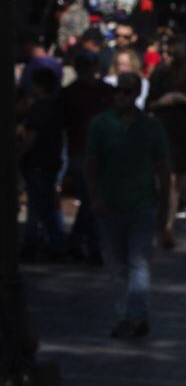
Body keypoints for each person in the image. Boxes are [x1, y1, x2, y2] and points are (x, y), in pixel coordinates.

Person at [85, 71, 170, 339]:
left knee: (138, 262)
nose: (121, 96)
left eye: (127, 91)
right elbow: (91, 164)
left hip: (142, 202)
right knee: (117, 264)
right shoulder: (100, 124)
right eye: (118, 91)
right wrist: (94, 196)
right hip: (110, 203)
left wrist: (165, 207)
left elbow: (163, 167)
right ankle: (128, 314)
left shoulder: (151, 126)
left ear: (136, 95)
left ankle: (135, 316)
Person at [148, 38, 186, 249]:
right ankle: (159, 222)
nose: (165, 57)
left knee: (174, 182)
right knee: (161, 180)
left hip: (181, 134)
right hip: (161, 130)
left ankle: (167, 225)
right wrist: (164, 101)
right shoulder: (159, 75)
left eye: (169, 53)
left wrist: (182, 98)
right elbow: (150, 103)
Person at [62, 50, 114, 264]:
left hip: (103, 153)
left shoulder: (107, 91)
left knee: (91, 200)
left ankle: (76, 242)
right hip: (80, 152)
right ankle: (92, 246)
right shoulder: (70, 94)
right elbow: (64, 125)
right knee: (91, 199)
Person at [17, 67, 67, 262]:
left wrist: (19, 155)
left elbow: (32, 137)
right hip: (50, 160)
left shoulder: (40, 108)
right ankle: (46, 242)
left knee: (41, 205)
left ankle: (51, 243)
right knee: (43, 204)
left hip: (38, 161)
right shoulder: (56, 107)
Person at [105, 47, 149, 112]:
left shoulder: (143, 82)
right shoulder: (108, 81)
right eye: (119, 64)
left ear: (133, 65)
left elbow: (140, 103)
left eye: (126, 65)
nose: (122, 68)